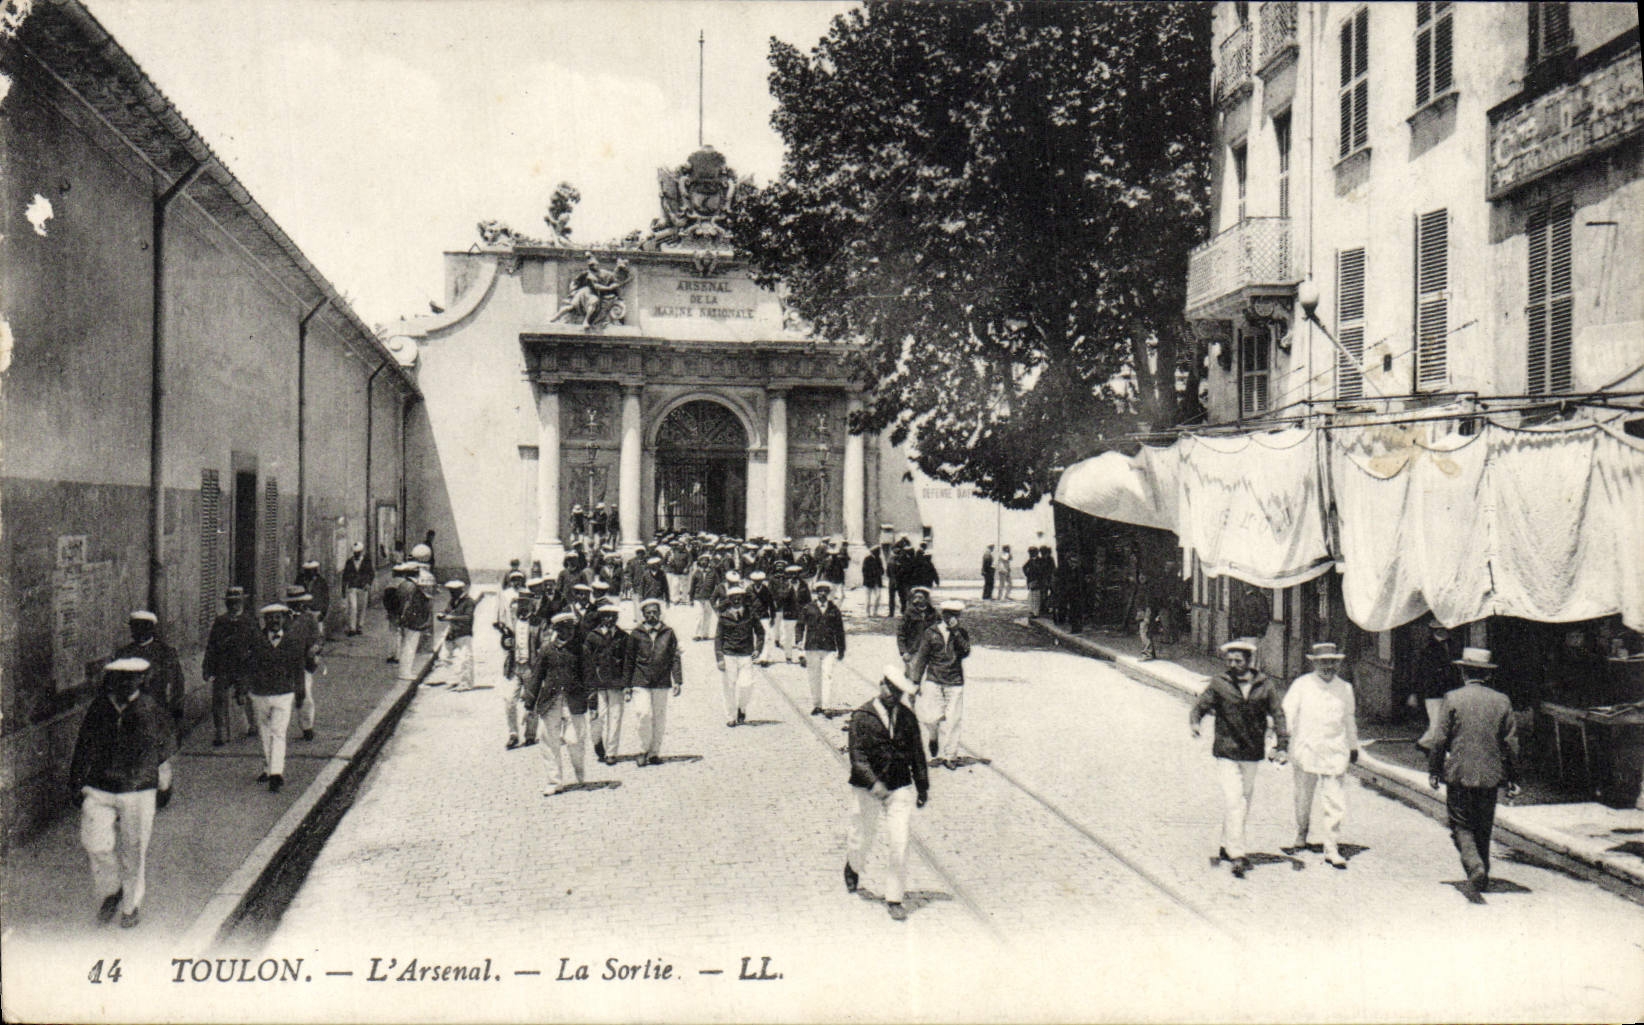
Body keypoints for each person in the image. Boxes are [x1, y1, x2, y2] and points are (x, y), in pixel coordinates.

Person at [69, 657, 176, 929]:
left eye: (132, 678)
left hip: (137, 789)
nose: (125, 683)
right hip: (100, 787)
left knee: (134, 848)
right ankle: (111, 889)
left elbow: (164, 750)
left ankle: (130, 905)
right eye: (120, 678)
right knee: (95, 843)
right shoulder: (101, 707)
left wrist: (163, 782)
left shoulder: (152, 708)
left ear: (142, 680)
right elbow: (84, 744)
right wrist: (76, 782)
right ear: (111, 680)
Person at [1189, 637, 1289, 878]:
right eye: (1230, 660)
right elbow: (1200, 705)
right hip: (1226, 751)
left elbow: (1278, 714)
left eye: (1239, 660)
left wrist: (1283, 743)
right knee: (1235, 800)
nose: (1234, 665)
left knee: (1243, 800)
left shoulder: (1264, 685)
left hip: (1252, 752)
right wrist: (1195, 722)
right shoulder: (1220, 683)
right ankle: (1238, 854)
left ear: (1249, 661)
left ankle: (1226, 843)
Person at [1427, 647, 1520, 903]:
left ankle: (1474, 866)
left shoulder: (1453, 698)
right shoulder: (1502, 700)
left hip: (1459, 772)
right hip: (1490, 774)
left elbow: (1440, 739)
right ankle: (1483, 872)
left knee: (1460, 824)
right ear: (1487, 676)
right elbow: (1511, 743)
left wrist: (1434, 769)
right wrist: (1513, 777)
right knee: (1483, 825)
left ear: (1463, 672)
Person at [844, 665, 930, 921]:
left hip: (899, 786)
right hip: (867, 788)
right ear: (880, 684)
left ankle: (894, 898)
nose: (892, 695)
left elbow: (917, 754)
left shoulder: (907, 718)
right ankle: (853, 865)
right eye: (889, 688)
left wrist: (922, 786)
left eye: (897, 692)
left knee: (899, 843)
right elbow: (857, 758)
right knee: (861, 837)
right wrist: (873, 784)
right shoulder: (862, 716)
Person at [1281, 642, 1360, 869]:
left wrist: (1353, 746)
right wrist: (1282, 742)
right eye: (1323, 662)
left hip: (1335, 750)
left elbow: (1349, 719)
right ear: (1314, 663)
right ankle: (1301, 832)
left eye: (1332, 662)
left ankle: (1331, 847)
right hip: (1306, 750)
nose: (1328, 666)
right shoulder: (1302, 685)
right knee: (1303, 797)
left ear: (1337, 664)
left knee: (1334, 800)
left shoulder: (1345, 688)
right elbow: (1288, 714)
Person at [114, 611, 184, 808]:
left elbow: (177, 683)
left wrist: (176, 709)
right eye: (135, 627)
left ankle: (162, 790)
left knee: (159, 754)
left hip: (157, 712)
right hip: (128, 713)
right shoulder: (123, 654)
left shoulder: (165, 653)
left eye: (144, 626)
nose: (138, 631)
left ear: (152, 629)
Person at [525, 611, 588, 795]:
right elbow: (536, 677)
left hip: (573, 701)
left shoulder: (580, 650)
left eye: (571, 628)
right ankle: (554, 781)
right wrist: (529, 704)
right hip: (550, 701)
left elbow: (589, 676)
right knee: (548, 740)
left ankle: (579, 770)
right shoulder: (546, 650)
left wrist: (592, 703)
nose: (568, 632)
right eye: (563, 628)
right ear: (556, 629)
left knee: (574, 740)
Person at [248, 603, 304, 792]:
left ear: (283, 619)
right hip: (260, 693)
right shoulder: (256, 640)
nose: (274, 621)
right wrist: (245, 688)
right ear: (265, 620)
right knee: (264, 732)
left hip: (284, 693)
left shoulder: (292, 640)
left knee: (278, 732)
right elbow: (248, 666)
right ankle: (269, 766)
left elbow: (298, 668)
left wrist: (300, 691)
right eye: (270, 618)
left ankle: (275, 773)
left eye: (278, 617)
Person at [910, 599, 971, 768]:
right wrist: (915, 681)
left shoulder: (961, 633)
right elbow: (922, 657)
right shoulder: (931, 632)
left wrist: (956, 632)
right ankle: (933, 735)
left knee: (953, 719)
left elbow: (965, 651)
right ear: (942, 614)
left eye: (956, 614)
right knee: (930, 717)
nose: (952, 617)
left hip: (954, 680)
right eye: (949, 614)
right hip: (934, 679)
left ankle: (950, 756)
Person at [626, 598, 683, 767]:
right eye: (648, 613)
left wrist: (677, 680)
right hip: (640, 680)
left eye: (655, 612)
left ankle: (654, 753)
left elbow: (675, 657)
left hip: (661, 681)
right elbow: (629, 659)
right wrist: (627, 685)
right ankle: (643, 749)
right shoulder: (636, 633)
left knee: (659, 717)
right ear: (643, 615)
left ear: (660, 614)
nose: (652, 616)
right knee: (643, 714)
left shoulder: (668, 633)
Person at [202, 586, 260, 747]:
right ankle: (221, 731)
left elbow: (257, 644)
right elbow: (211, 645)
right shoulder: (220, 621)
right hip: (223, 665)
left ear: (242, 602)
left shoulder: (250, 620)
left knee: (246, 696)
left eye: (237, 602)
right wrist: (207, 667)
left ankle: (253, 724)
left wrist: (257, 663)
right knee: (219, 698)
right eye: (230, 602)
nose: (234, 605)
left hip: (244, 665)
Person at [582, 603, 629, 764]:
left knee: (615, 718)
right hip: (598, 684)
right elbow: (586, 663)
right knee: (597, 718)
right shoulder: (592, 637)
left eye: (613, 616)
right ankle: (597, 744)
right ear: (601, 618)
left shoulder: (623, 637)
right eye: (606, 616)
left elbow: (627, 661)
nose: (610, 619)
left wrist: (626, 683)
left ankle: (611, 752)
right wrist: (589, 686)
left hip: (616, 683)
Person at [715, 587, 765, 727]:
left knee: (746, 685)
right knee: (728, 687)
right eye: (733, 597)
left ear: (743, 598)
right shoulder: (724, 616)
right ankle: (730, 716)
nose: (737, 600)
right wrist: (719, 658)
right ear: (729, 600)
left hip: (746, 655)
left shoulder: (750, 614)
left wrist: (758, 649)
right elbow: (718, 638)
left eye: (739, 597)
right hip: (729, 655)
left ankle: (741, 708)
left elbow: (760, 632)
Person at [797, 581, 847, 716]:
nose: (823, 594)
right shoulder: (808, 608)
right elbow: (800, 626)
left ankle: (827, 706)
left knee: (828, 676)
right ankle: (817, 704)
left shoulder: (834, 609)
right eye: (820, 591)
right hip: (812, 647)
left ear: (829, 593)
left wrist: (841, 649)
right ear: (816, 592)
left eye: (825, 591)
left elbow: (839, 630)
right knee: (814, 677)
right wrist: (799, 643)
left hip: (829, 648)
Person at [283, 586, 324, 742]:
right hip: (285, 662)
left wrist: (315, 648)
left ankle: (307, 727)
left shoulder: (309, 618)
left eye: (299, 602)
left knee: (305, 694)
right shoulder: (282, 618)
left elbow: (318, 638)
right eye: (293, 603)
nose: (297, 605)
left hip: (304, 663)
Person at [1415, 617, 1461, 751]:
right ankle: (1424, 744)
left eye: (1446, 628)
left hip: (1449, 690)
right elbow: (1422, 672)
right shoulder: (1428, 649)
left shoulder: (1452, 646)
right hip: (1433, 691)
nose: (1445, 631)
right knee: (1436, 723)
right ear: (1435, 630)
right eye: (1442, 629)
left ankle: (1432, 746)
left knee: (1445, 722)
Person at [436, 580, 478, 692]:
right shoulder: (453, 601)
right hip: (452, 633)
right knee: (445, 657)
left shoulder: (469, 602)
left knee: (465, 659)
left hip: (464, 633)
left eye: (454, 591)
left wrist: (451, 618)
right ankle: (453, 680)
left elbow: (468, 618)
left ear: (460, 590)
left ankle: (466, 683)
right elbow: (447, 611)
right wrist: (442, 614)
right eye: (451, 591)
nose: (451, 593)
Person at [395, 560, 434, 680]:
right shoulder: (412, 587)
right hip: (411, 619)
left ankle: (404, 670)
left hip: (405, 619)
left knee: (406, 645)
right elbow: (409, 604)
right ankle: (405, 672)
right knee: (410, 646)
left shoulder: (403, 585)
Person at [896, 587, 938, 672]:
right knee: (912, 677)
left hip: (930, 652)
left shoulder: (933, 613)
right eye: (915, 597)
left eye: (920, 597)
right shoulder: (909, 613)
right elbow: (901, 633)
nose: (917, 600)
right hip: (913, 651)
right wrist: (904, 651)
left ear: (927, 599)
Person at [341, 542, 373, 636]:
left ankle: (359, 626)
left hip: (363, 587)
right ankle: (352, 628)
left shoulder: (366, 561)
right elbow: (345, 576)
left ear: (361, 552)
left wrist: (368, 583)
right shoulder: (349, 562)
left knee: (362, 607)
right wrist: (343, 589)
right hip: (352, 587)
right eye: (355, 552)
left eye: (358, 552)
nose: (356, 554)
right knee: (353, 607)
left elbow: (371, 573)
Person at [296, 560, 330, 635]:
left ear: (315, 571)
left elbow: (325, 598)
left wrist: (323, 613)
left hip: (316, 611)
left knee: (318, 633)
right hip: (303, 610)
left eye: (311, 571)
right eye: (307, 571)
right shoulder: (300, 580)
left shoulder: (321, 582)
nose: (308, 573)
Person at [861, 545, 884, 618]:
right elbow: (864, 570)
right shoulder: (867, 559)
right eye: (878, 551)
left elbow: (882, 569)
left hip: (877, 581)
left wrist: (880, 572)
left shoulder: (879, 559)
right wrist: (872, 574)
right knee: (868, 598)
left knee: (878, 596)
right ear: (874, 552)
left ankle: (875, 612)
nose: (879, 553)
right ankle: (867, 613)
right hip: (869, 581)